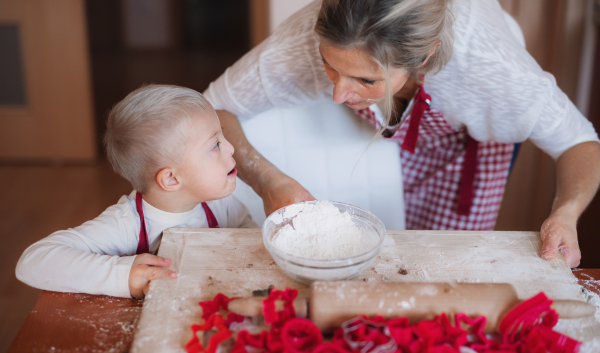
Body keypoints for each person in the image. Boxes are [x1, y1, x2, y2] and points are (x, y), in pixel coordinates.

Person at [203, 0, 600, 268]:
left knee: (441, 267)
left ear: (423, 58)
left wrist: (566, 212)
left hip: (468, 145)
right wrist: (269, 181)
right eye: (329, 65)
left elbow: (579, 142)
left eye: (364, 78)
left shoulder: (490, 71)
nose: (339, 94)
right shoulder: (301, 42)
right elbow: (213, 107)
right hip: (392, 140)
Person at [16, 85, 257, 298]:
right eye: (215, 144)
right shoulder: (125, 225)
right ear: (171, 179)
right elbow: (33, 261)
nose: (231, 148)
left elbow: (248, 231)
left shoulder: (221, 206)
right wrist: (125, 276)